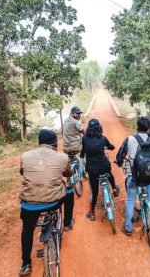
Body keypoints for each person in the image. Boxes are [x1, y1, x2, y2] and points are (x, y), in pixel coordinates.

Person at [18, 129, 72, 276]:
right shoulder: (62, 157)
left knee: (27, 229)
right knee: (69, 191)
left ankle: (25, 264)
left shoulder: (25, 156)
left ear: (39, 142)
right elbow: (68, 173)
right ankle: (67, 223)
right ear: (55, 143)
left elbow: (22, 172)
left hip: (28, 204)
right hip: (53, 202)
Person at [114, 116, 150, 236]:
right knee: (148, 198)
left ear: (137, 126)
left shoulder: (130, 139)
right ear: (148, 127)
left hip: (134, 177)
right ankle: (148, 219)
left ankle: (128, 227)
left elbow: (120, 156)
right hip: (149, 176)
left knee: (131, 200)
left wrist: (119, 162)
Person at [80, 118, 120, 221]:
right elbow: (110, 147)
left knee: (94, 192)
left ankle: (92, 213)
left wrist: (83, 166)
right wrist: (112, 147)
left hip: (92, 169)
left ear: (89, 128)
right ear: (99, 128)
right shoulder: (103, 139)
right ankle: (115, 188)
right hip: (104, 166)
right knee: (109, 173)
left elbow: (82, 153)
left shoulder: (84, 138)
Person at [62, 106, 85, 231]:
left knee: (69, 164)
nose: (78, 115)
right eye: (77, 113)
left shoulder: (65, 121)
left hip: (66, 148)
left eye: (79, 113)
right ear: (72, 113)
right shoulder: (77, 122)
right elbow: (83, 132)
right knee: (82, 153)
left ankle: (70, 179)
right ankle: (82, 169)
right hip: (76, 147)